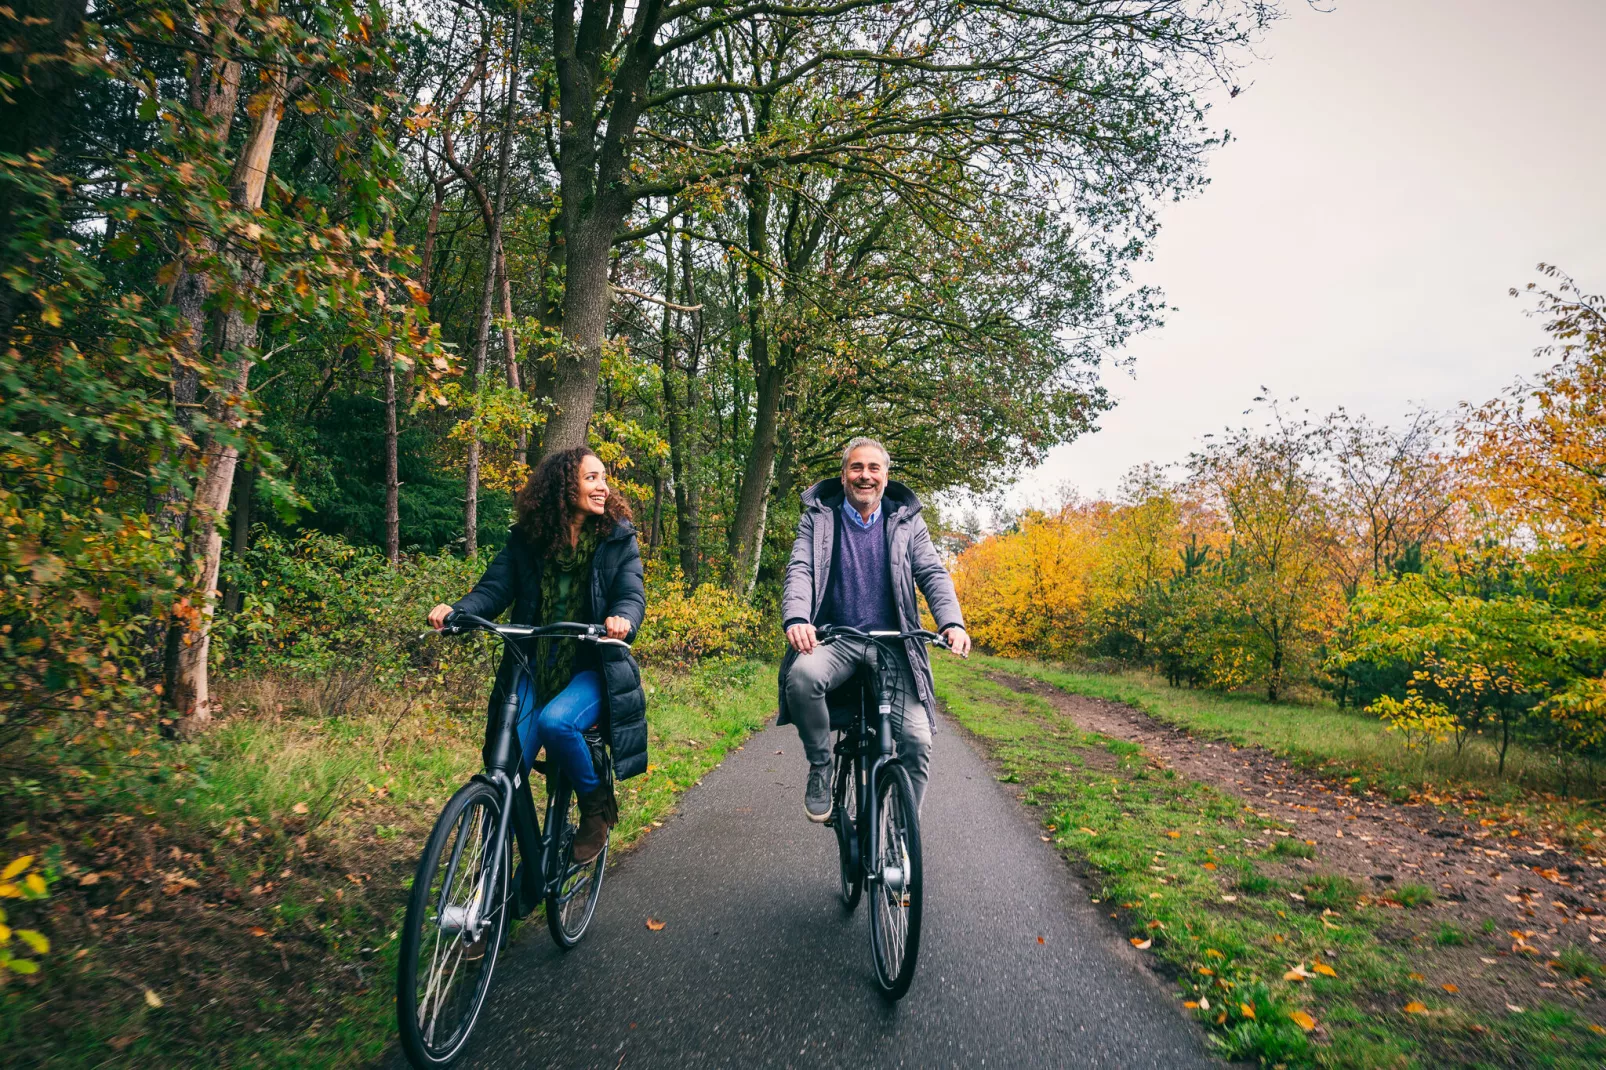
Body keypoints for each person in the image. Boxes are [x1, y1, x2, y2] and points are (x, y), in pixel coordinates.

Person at [428, 447, 647, 864]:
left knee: (555, 722)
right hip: (531, 665)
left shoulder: (618, 538)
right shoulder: (528, 540)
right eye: (591, 478)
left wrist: (621, 618)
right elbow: (493, 588)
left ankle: (596, 807)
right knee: (506, 769)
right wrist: (459, 612)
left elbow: (631, 594)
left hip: (591, 666)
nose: (602, 487)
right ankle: (506, 874)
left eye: (603, 478)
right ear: (565, 486)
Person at [778, 436, 970, 821]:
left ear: (886, 475)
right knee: (801, 678)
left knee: (917, 740)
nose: (865, 476)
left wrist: (952, 622)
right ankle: (820, 767)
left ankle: (901, 834)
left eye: (873, 468)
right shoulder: (818, 519)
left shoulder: (906, 521)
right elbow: (800, 569)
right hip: (836, 639)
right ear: (844, 474)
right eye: (856, 467)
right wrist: (797, 618)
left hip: (893, 645)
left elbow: (932, 572)